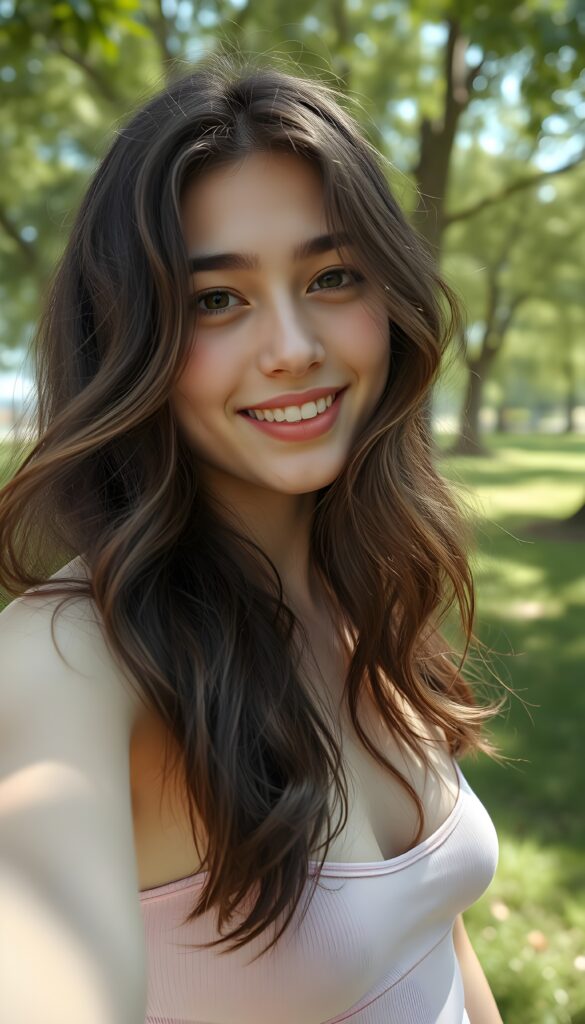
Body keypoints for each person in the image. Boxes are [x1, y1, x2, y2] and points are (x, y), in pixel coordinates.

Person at [0, 52, 509, 1024]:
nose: (293, 347)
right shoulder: (67, 662)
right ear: (127, 339)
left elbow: (433, 930)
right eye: (216, 299)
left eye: (331, 277)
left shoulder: (355, 588)